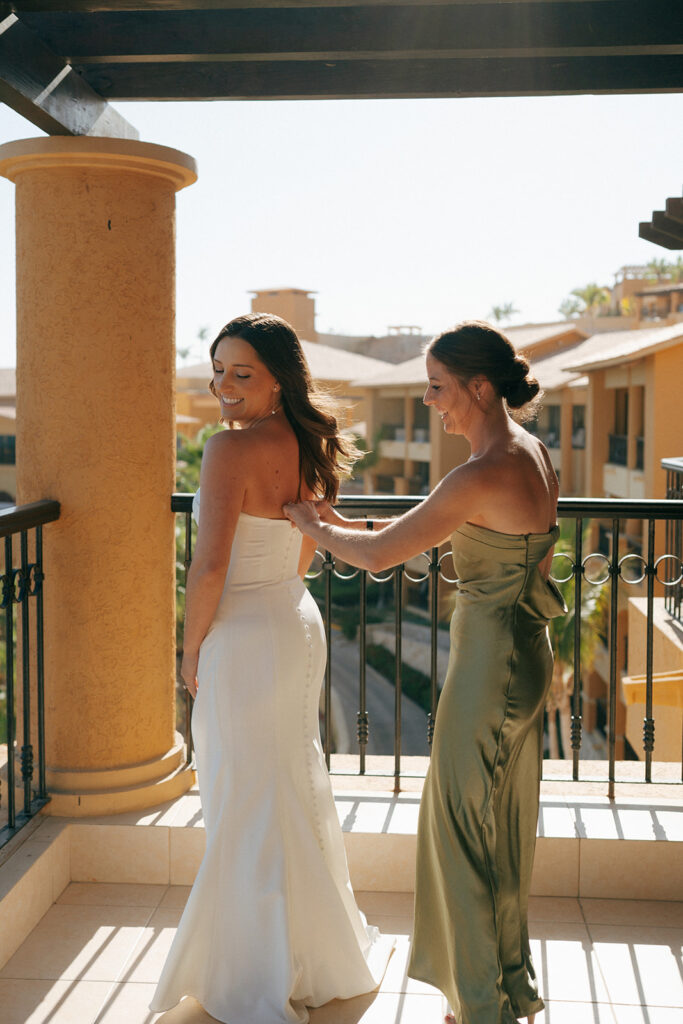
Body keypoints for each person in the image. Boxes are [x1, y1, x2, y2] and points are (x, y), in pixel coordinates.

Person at [284, 320, 567, 1024]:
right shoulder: (531, 452)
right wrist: (337, 522)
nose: (430, 403)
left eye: (437, 389)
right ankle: (502, 987)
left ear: (477, 386)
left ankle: (479, 1004)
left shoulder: (483, 471)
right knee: (497, 827)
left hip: (491, 666)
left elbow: (382, 556)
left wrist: (312, 524)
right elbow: (491, 553)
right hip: (520, 654)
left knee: (458, 829)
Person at [150, 313, 393, 1024]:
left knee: (243, 797)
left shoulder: (229, 452)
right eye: (217, 371)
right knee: (287, 784)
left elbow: (211, 564)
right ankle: (311, 956)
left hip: (244, 634)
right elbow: (306, 547)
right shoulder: (309, 443)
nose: (223, 387)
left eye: (240, 373)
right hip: (293, 619)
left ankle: (252, 973)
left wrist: (191, 649)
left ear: (278, 377)